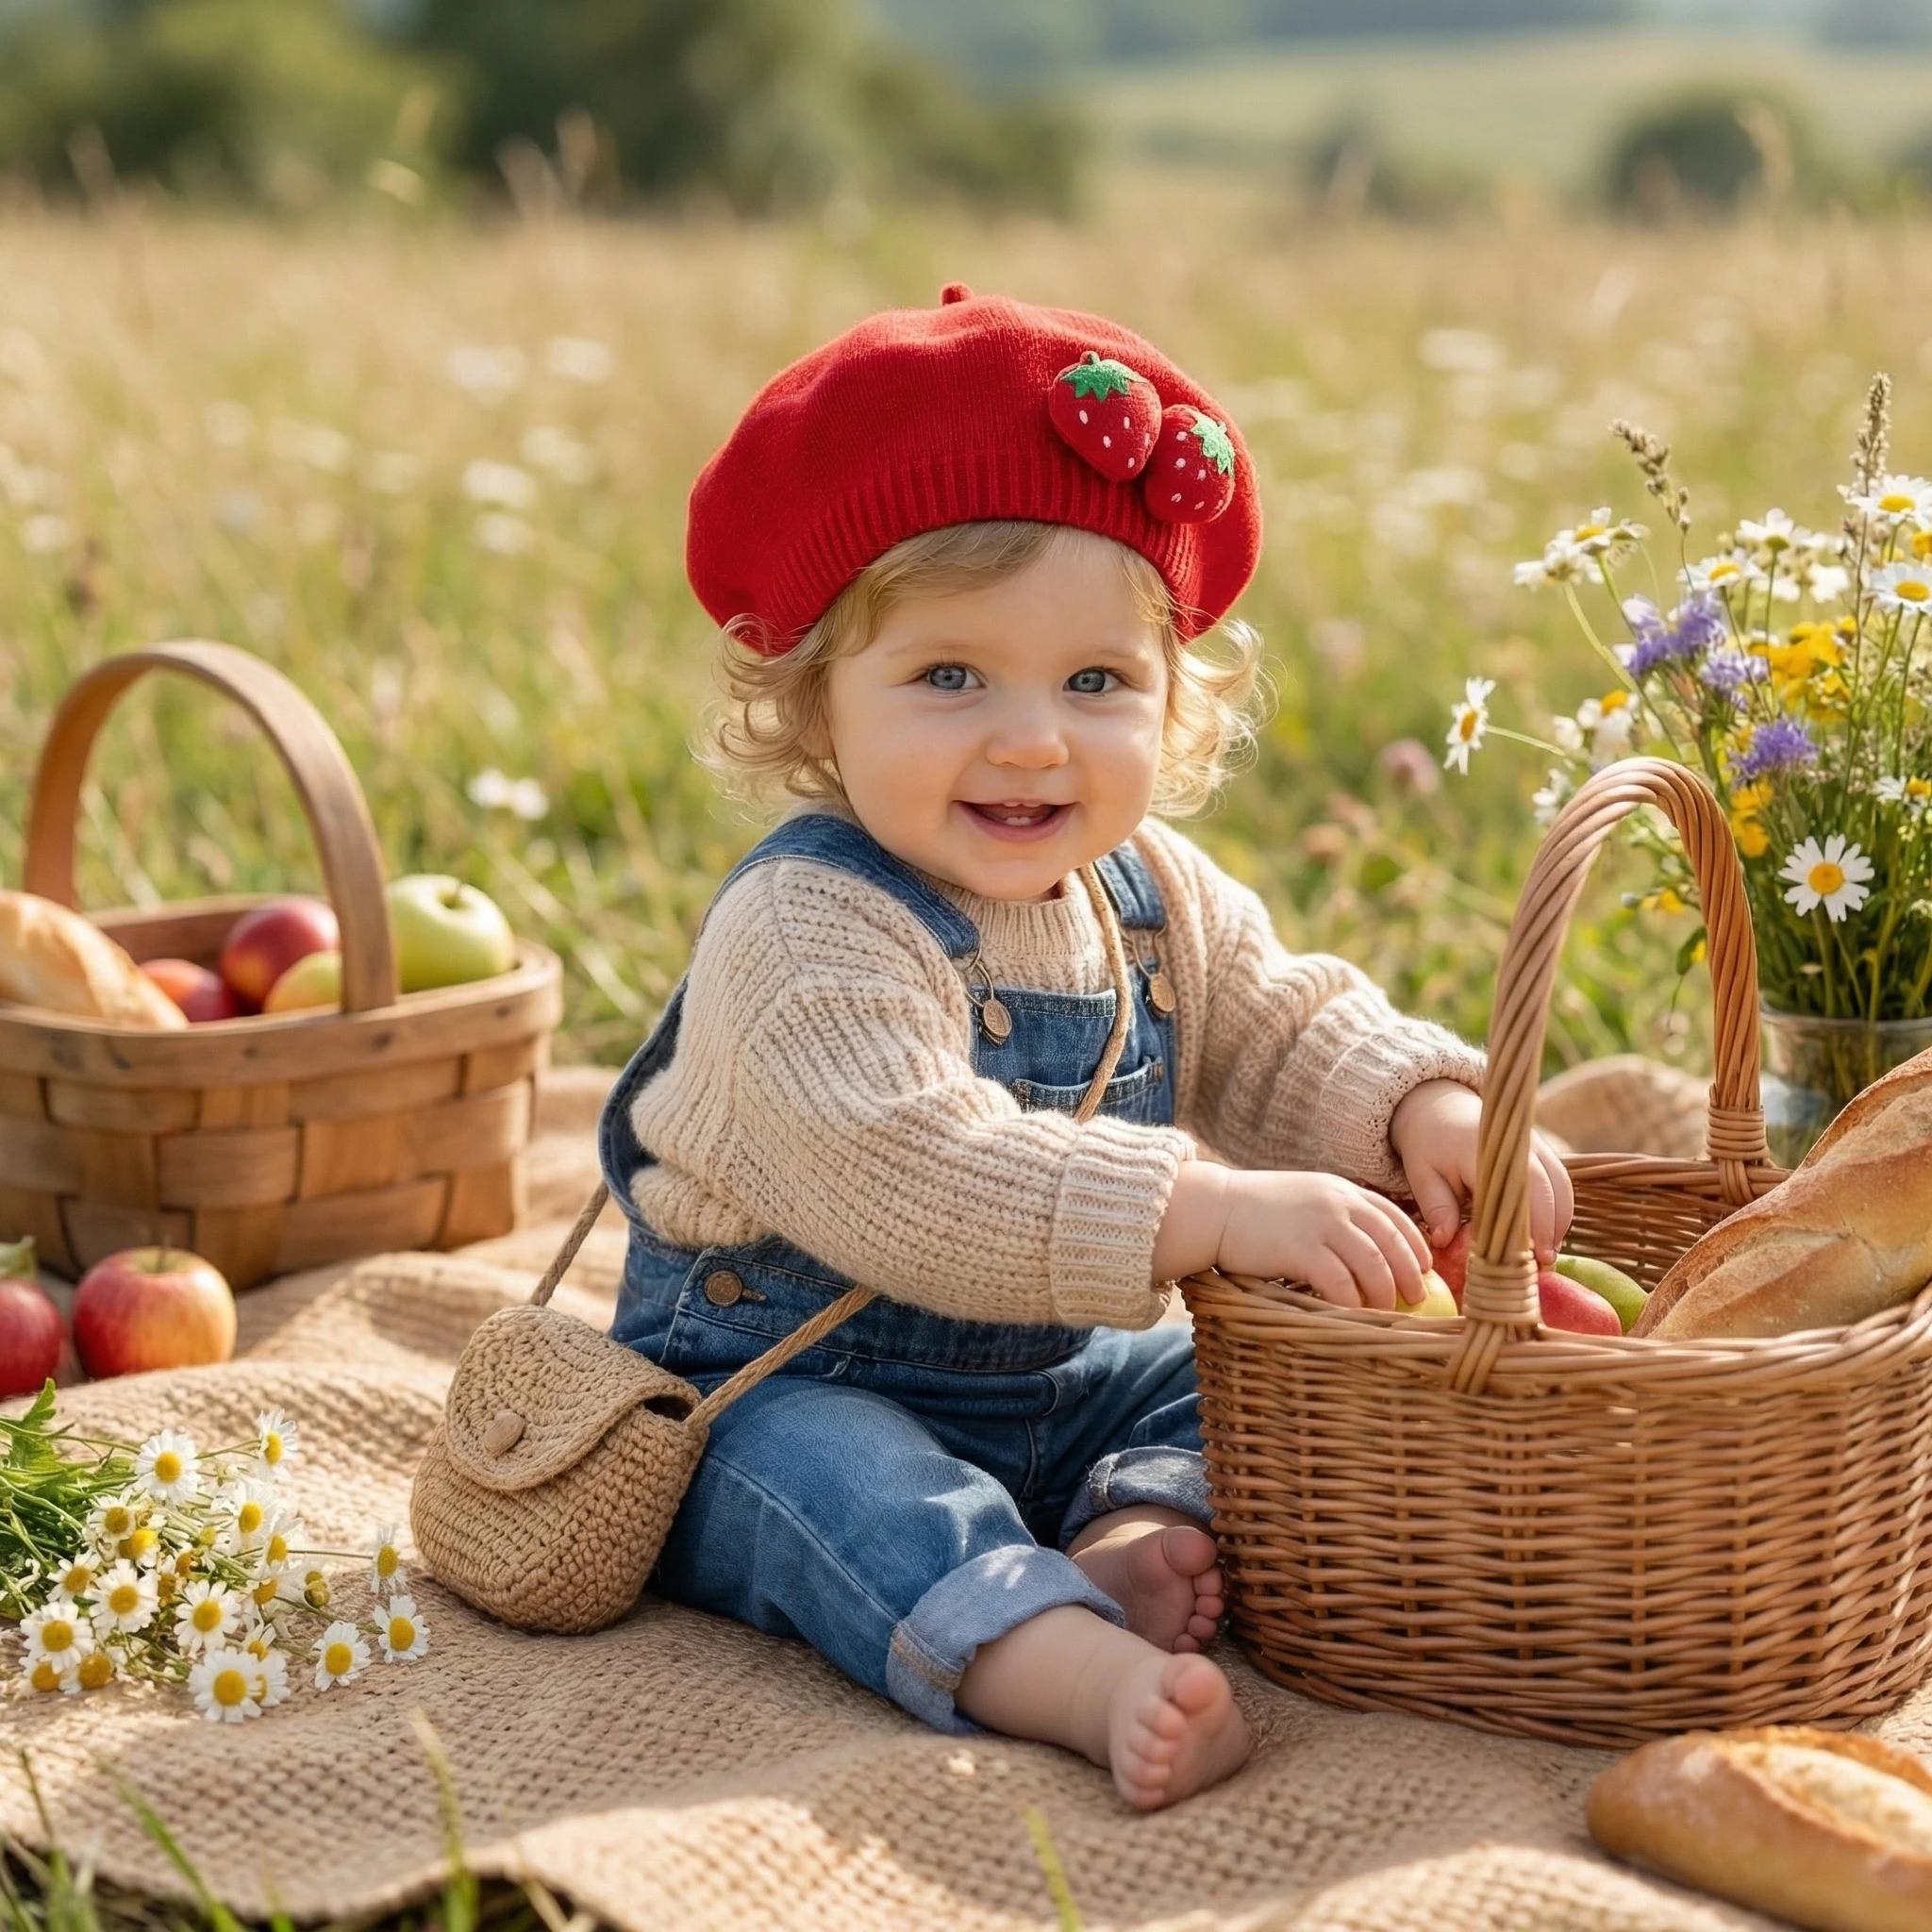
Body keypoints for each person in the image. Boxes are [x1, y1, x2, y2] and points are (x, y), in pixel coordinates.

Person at [597, 285, 1573, 1809]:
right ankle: (1064, 1662)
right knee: (849, 1494)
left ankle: (1131, 1529)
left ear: (1173, 698)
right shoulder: (808, 926)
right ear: (811, 706)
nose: (1034, 737)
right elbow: (913, 1163)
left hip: (1067, 1370)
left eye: (1097, 681)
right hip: (778, 1369)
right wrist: (1210, 1204)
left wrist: (1424, 1101)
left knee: (1230, 1377)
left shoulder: (1148, 892)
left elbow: (1282, 1019)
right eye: (948, 676)